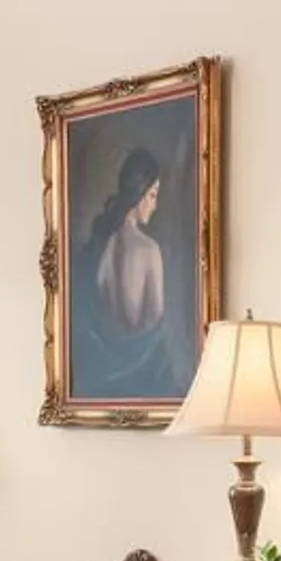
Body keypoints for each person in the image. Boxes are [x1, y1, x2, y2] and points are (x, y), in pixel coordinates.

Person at [72, 140, 192, 400]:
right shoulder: (149, 250)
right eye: (153, 195)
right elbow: (155, 327)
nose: (155, 205)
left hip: (102, 383)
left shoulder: (100, 245)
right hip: (144, 380)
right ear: (139, 192)